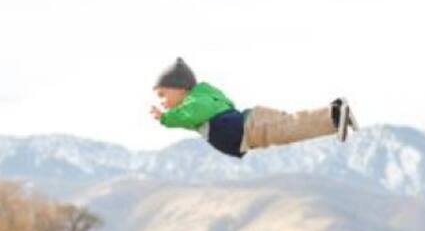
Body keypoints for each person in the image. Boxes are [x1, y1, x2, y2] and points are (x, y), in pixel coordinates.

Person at [149, 57, 358, 158]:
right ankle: (337, 116)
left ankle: (334, 114)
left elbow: (188, 115)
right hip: (248, 122)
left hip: (247, 128)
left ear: (181, 88)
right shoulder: (199, 102)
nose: (162, 102)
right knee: (290, 123)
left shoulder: (195, 104)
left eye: (163, 95)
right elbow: (192, 119)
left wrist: (165, 118)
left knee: (289, 128)